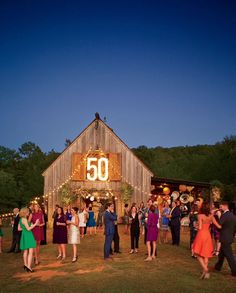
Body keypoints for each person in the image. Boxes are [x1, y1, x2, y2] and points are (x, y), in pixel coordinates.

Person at [192, 202, 221, 279]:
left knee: (197, 254)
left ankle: (205, 269)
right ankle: (205, 273)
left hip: (201, 235)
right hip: (208, 235)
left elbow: (200, 227)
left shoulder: (200, 215)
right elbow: (218, 226)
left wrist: (196, 226)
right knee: (206, 254)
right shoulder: (211, 216)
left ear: (202, 208)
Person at [215, 201, 236, 277]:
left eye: (221, 207)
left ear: (225, 206)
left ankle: (234, 271)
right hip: (229, 237)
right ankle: (217, 267)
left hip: (224, 238)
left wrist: (218, 216)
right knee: (222, 254)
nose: (220, 208)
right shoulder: (233, 216)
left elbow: (219, 225)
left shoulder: (224, 215)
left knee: (229, 255)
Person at [18, 207, 39, 272]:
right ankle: (29, 267)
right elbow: (28, 229)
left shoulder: (21, 219)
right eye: (28, 212)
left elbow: (19, 229)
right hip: (28, 235)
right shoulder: (24, 219)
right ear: (25, 212)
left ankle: (25, 265)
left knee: (25, 251)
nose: (28, 213)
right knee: (30, 251)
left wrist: (26, 228)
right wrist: (35, 224)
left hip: (24, 235)